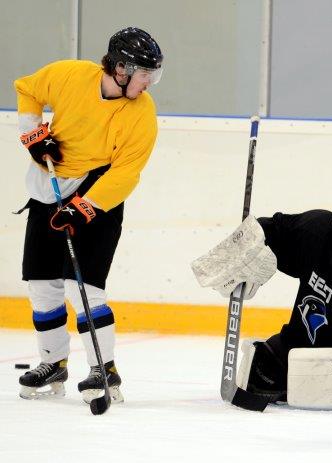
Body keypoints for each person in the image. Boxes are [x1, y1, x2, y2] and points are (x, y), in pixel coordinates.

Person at [14, 27, 163, 404]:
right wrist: (33, 136)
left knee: (82, 287)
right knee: (42, 284)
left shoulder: (142, 113)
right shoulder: (71, 75)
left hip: (99, 192)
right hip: (50, 183)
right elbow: (27, 89)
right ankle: (53, 362)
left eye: (153, 74)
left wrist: (85, 208)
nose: (149, 82)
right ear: (120, 69)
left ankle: (104, 368)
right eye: (144, 74)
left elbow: (126, 172)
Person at [192, 196, 332, 402]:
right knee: (260, 369)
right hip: (296, 344)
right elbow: (273, 229)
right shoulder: (316, 231)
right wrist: (244, 250)